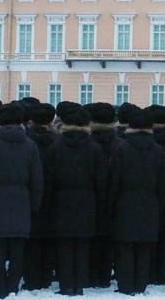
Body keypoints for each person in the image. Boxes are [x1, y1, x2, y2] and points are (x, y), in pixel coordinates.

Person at [0, 103, 44, 299]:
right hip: (22, 199)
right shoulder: (30, 145)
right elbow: (37, 178)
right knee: (18, 247)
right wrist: (34, 203)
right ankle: (13, 286)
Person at [44, 106, 107, 296]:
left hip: (62, 200)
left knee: (64, 246)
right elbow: (101, 180)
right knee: (82, 245)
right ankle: (79, 283)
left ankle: (66, 285)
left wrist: (48, 202)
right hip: (87, 200)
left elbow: (49, 178)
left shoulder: (56, 147)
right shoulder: (94, 148)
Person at [109, 107, 165, 295]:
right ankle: (141, 284)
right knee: (145, 246)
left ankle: (126, 285)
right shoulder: (158, 150)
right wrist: (160, 203)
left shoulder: (122, 149)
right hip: (150, 201)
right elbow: (164, 182)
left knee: (125, 246)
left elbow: (114, 180)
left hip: (126, 201)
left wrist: (112, 204)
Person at [23, 102, 58, 291]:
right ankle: (46, 274)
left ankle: (31, 276)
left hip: (30, 193)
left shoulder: (27, 140)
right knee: (48, 237)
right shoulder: (56, 140)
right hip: (53, 194)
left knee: (32, 239)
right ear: (51, 120)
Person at [85, 102, 119, 288]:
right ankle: (104, 274)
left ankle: (91, 274)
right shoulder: (119, 143)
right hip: (113, 197)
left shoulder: (88, 143)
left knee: (91, 238)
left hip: (90, 197)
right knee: (108, 237)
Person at [143, 105, 165, 286]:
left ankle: (149, 271)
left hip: (147, 196)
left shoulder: (148, 143)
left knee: (148, 237)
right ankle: (162, 273)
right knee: (164, 238)